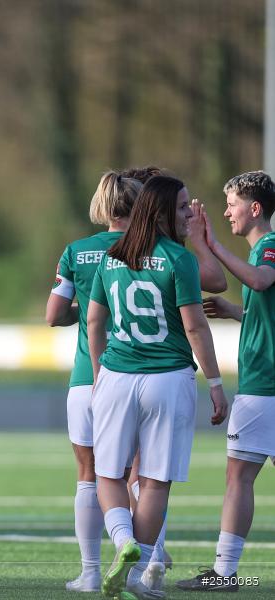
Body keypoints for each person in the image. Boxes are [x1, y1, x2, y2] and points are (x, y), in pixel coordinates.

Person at [47, 169, 225, 593]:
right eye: (183, 207)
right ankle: (141, 570)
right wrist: (216, 384)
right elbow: (197, 326)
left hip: (117, 375)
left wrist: (99, 373)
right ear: (163, 211)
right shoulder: (178, 259)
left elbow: (91, 321)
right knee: (155, 480)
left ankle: (121, 542)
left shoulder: (110, 258)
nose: (188, 214)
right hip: (169, 377)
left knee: (104, 474)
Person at [177, 171, 275, 592]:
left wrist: (212, 246)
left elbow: (262, 281)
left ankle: (225, 573)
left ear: (254, 208)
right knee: (242, 476)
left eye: (232, 203)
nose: (225, 211)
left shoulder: (269, 249)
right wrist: (235, 311)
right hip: (265, 385)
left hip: (264, 386)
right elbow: (264, 308)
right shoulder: (259, 254)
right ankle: (226, 572)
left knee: (238, 477)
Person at [46, 172, 142, 592]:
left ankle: (89, 572)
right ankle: (146, 565)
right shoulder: (152, 249)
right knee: (140, 474)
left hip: (87, 377)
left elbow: (54, 315)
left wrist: (83, 310)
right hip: (137, 376)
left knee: (88, 473)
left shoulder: (77, 252)